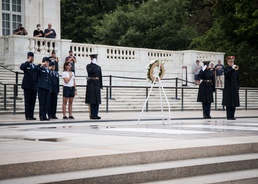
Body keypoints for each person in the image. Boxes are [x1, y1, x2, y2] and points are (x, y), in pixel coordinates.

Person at [20, 52, 37, 120]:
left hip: (34, 86)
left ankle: (31, 115)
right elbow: (22, 67)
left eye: (32, 57)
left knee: (33, 101)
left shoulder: (34, 66)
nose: (31, 58)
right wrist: (27, 61)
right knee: (27, 101)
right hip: (27, 86)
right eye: (30, 57)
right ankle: (27, 116)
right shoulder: (25, 65)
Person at [85, 54, 103, 119]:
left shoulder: (98, 67)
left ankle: (96, 114)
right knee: (92, 100)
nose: (94, 59)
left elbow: (100, 76)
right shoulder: (89, 66)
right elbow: (90, 72)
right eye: (93, 58)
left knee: (97, 100)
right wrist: (93, 65)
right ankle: (92, 114)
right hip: (91, 83)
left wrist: (101, 85)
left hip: (97, 84)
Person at [222, 56, 240, 120]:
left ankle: (232, 115)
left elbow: (237, 78)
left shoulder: (235, 69)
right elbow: (226, 75)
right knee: (228, 102)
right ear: (227, 62)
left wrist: (238, 86)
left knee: (234, 102)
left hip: (234, 87)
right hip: (228, 88)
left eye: (232, 61)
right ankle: (229, 115)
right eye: (230, 62)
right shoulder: (226, 69)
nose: (231, 63)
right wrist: (232, 69)